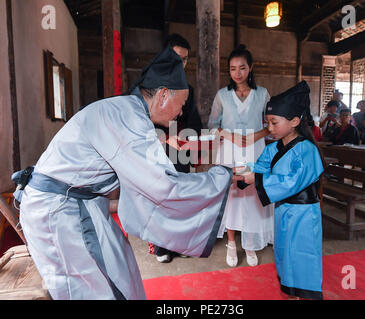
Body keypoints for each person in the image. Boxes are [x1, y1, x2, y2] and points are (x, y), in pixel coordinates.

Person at [11, 46, 233, 300]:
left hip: (77, 205)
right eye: (181, 104)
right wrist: (221, 177)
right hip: (60, 212)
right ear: (162, 95)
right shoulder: (129, 117)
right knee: (100, 291)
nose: (181, 112)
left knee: (122, 268)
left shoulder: (127, 111)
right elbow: (164, 186)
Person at [234, 80, 324, 300]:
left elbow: (292, 181)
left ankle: (305, 295)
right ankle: (290, 294)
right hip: (283, 210)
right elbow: (261, 167)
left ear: (294, 121)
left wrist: (256, 178)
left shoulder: (307, 149)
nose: (270, 128)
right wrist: (241, 171)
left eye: (274, 123)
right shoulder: (274, 147)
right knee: (284, 255)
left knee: (302, 257)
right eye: (268, 123)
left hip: (303, 214)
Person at [208, 44, 274, 268]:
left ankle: (251, 244)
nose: (237, 73)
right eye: (233, 69)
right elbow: (212, 125)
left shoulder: (262, 94)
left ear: (251, 68)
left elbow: (274, 124)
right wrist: (230, 135)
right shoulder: (222, 95)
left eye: (242, 68)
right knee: (233, 195)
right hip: (230, 149)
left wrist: (259, 134)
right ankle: (231, 242)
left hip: (255, 150)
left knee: (253, 195)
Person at [150, 34, 203, 263]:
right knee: (160, 198)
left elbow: (194, 122)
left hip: (179, 148)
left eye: (185, 59)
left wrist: (187, 142)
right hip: (157, 148)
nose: (181, 63)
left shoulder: (187, 89)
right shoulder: (151, 84)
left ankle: (179, 243)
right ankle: (161, 245)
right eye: (176, 57)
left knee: (181, 198)